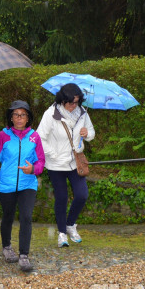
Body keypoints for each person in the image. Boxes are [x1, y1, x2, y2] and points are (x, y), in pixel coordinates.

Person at [0, 100, 45, 271]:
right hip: (6, 185)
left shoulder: (34, 136)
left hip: (28, 184)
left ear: (28, 118)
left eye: (23, 114)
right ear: (11, 118)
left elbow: (41, 161)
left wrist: (33, 169)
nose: (19, 118)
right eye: (16, 114)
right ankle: (7, 247)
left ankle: (24, 255)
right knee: (8, 216)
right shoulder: (2, 136)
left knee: (26, 216)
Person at [36, 83, 96, 248]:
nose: (74, 106)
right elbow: (40, 137)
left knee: (82, 195)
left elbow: (91, 132)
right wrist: (53, 154)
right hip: (55, 164)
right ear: (63, 100)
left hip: (74, 162)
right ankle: (62, 233)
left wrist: (87, 134)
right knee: (61, 197)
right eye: (71, 102)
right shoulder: (51, 114)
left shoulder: (83, 114)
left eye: (77, 102)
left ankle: (70, 225)